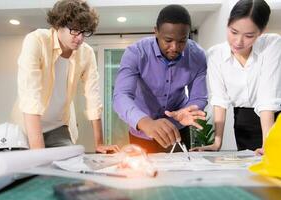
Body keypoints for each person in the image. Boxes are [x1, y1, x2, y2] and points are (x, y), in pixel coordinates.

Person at [11, 0, 119, 153]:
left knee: (70, 166)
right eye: (74, 30)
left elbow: (93, 97)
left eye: (84, 32)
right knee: (31, 172)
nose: (80, 38)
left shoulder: (86, 53)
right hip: (27, 125)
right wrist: (39, 153)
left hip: (58, 126)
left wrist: (99, 144)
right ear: (57, 25)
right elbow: (30, 97)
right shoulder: (36, 40)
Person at [113, 5, 207, 153]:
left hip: (177, 130)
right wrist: (146, 123)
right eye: (168, 40)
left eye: (182, 41)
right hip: (142, 131)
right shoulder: (136, 53)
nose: (175, 47)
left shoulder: (197, 55)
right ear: (156, 32)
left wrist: (190, 109)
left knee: (178, 174)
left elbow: (199, 96)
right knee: (143, 174)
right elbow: (121, 96)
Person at [191, 0, 281, 155]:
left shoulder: (272, 45)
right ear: (227, 24)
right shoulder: (215, 54)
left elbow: (268, 97)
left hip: (274, 121)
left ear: (262, 31)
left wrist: (268, 144)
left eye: (249, 35)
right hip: (243, 123)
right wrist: (216, 142)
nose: (238, 42)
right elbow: (220, 99)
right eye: (233, 32)